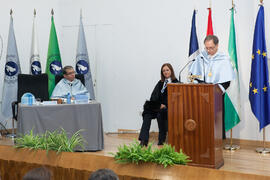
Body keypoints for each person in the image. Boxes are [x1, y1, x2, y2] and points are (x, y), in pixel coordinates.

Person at [189, 35, 235, 138]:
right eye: (207, 48)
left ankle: (216, 145)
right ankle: (202, 142)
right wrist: (198, 87)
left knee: (216, 122)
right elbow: (194, 77)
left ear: (217, 45)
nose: (209, 50)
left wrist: (216, 92)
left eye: (211, 48)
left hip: (216, 96)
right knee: (201, 120)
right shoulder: (200, 58)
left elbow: (226, 81)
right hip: (201, 96)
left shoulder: (224, 59)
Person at [138, 63, 178, 146]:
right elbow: (153, 96)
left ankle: (161, 139)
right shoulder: (160, 83)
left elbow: (175, 99)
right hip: (158, 106)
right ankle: (144, 140)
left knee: (161, 113)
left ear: (171, 71)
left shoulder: (176, 83)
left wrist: (165, 105)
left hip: (169, 108)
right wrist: (158, 104)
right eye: (163, 71)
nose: (165, 72)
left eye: (167, 70)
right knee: (147, 114)